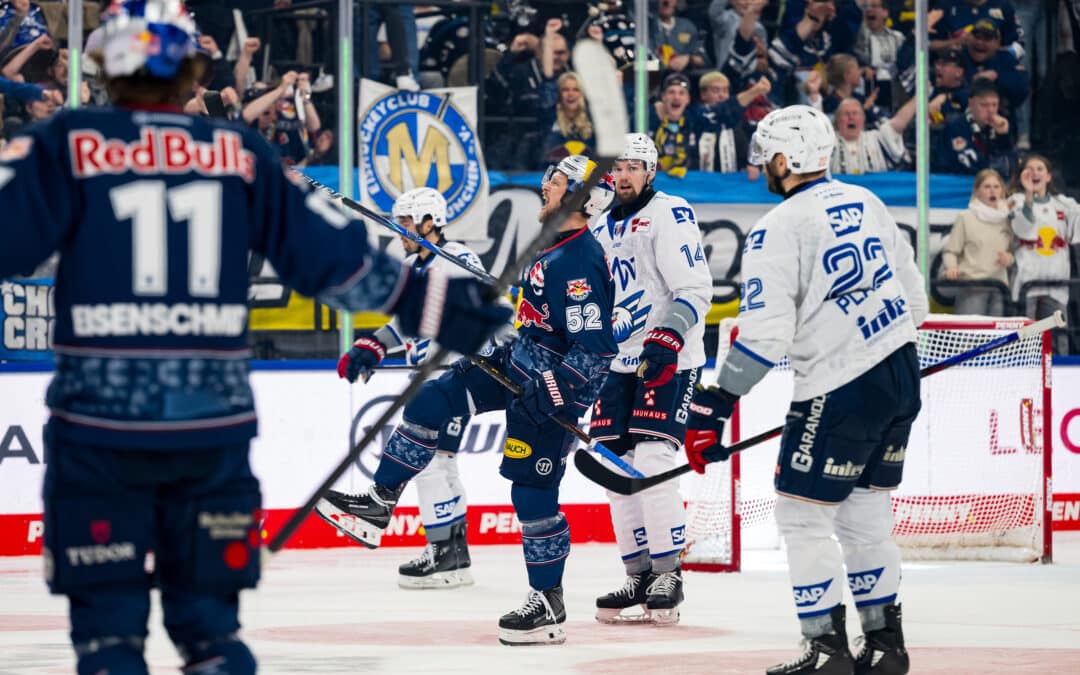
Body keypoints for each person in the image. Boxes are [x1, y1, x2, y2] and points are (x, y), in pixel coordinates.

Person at [0, 2, 510, 673]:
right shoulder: (238, 155)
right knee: (214, 638)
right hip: (209, 435)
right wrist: (441, 305)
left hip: (98, 431)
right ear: (189, 69)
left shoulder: (67, 145)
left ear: (105, 66)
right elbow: (343, 264)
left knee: (107, 641)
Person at [316, 155, 617, 646]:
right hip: (515, 364)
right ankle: (378, 503)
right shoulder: (549, 246)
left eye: (556, 182)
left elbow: (596, 348)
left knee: (531, 495)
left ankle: (547, 602)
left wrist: (557, 393)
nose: (545, 186)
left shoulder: (580, 258)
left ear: (581, 197)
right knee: (432, 398)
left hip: (547, 392)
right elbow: (535, 318)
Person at [684, 105, 928, 674]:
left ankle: (825, 649)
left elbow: (766, 337)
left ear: (781, 158)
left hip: (841, 388)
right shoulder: (867, 202)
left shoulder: (778, 227)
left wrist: (714, 406)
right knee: (866, 516)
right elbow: (914, 303)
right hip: (901, 373)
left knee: (802, 516)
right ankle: (886, 646)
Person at [588, 133, 713, 626]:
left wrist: (668, 336)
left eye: (633, 166)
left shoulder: (669, 211)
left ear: (651, 171)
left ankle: (668, 572)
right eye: (617, 167)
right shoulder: (599, 226)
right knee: (617, 469)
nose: (623, 175)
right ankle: (637, 574)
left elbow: (695, 286)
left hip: (668, 357)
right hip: (615, 361)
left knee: (656, 459)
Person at [337, 187, 484, 589]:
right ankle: (453, 554)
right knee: (441, 462)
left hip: (455, 373)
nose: (399, 229)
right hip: (434, 376)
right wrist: (373, 345)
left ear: (429, 222)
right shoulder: (413, 265)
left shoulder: (458, 257)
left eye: (405, 221)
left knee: (433, 463)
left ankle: (446, 555)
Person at [1006, 154, 1080, 354]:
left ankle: (1059, 380)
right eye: (1030, 169)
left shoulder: (1065, 204)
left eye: (1040, 169)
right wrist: (1029, 195)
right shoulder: (1016, 200)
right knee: (1025, 341)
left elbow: (1077, 233)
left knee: (1058, 338)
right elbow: (1021, 229)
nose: (1035, 173)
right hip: (1027, 280)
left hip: (1057, 281)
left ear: (1048, 176)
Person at [940, 168, 1015, 316]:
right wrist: (951, 267)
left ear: (1002, 190)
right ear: (977, 191)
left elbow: (1014, 251)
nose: (992, 191)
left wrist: (1010, 259)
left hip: (1000, 287)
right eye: (987, 187)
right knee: (970, 336)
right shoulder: (966, 217)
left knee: (998, 337)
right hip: (972, 286)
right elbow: (950, 251)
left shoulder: (1008, 219)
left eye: (996, 187)